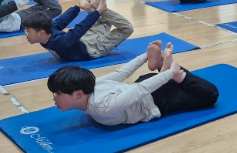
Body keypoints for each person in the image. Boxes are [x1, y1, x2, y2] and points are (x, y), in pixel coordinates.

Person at [47, 41, 219, 126]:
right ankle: (163, 66)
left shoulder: (102, 108)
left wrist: (169, 74)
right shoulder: (92, 84)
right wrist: (145, 57)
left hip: (158, 99)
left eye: (57, 94)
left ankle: (175, 73)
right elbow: (121, 74)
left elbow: (141, 89)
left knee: (211, 95)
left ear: (78, 94)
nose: (54, 98)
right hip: (144, 84)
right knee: (170, 80)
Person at [22, 0, 134, 61]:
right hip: (87, 44)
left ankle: (96, 8)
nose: (26, 35)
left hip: (90, 47)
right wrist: (95, 12)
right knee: (106, 22)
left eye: (28, 31)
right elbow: (77, 29)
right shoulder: (49, 36)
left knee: (127, 28)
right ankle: (92, 7)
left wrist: (78, 7)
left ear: (41, 32)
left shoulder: (57, 40)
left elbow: (65, 22)